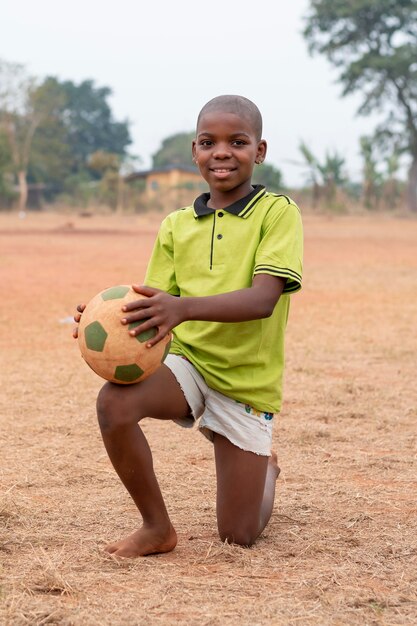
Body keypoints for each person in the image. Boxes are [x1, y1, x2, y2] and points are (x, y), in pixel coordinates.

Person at [73, 95, 303, 558]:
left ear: (259, 151)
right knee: (114, 405)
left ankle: (266, 470)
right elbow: (156, 304)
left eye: (237, 142)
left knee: (237, 536)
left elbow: (262, 300)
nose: (222, 152)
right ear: (194, 152)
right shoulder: (177, 225)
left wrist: (182, 308)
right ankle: (156, 527)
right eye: (208, 142)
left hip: (246, 382)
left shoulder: (277, 213)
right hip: (188, 364)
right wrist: (107, 319)